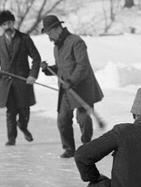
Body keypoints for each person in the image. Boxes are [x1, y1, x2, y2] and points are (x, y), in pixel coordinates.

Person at [39, 14, 103, 158]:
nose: (48, 36)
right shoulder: (56, 47)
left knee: (83, 119)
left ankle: (86, 146)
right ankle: (69, 148)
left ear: (57, 28)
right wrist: (48, 69)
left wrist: (72, 81)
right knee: (62, 119)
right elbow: (62, 68)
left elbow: (83, 65)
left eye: (49, 32)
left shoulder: (76, 42)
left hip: (82, 88)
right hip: (66, 89)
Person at [0, 9, 41, 144]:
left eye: (9, 23)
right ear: (1, 26)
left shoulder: (24, 38)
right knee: (10, 111)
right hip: (6, 82)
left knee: (24, 110)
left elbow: (36, 58)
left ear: (13, 23)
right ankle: (11, 138)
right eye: (4, 24)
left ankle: (23, 126)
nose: (7, 26)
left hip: (22, 81)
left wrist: (33, 75)